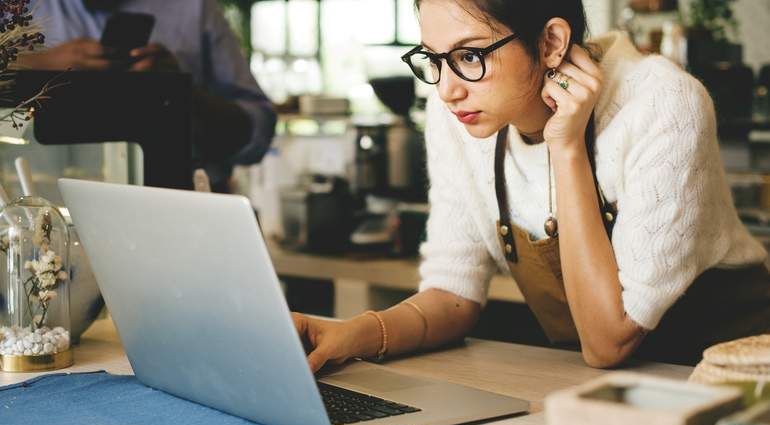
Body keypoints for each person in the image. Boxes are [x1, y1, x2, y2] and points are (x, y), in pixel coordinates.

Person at [293, 0, 770, 370]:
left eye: (470, 55)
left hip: (728, 381)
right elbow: (452, 294)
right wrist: (354, 334)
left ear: (550, 44)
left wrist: (566, 148)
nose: (446, 89)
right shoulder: (458, 114)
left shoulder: (661, 104)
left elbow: (609, 341)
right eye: (433, 59)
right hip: (601, 384)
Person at [17, 0, 276, 193]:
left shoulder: (194, 9)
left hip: (182, 205)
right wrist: (32, 65)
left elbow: (258, 131)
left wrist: (180, 93)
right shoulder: (18, 9)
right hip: (46, 207)